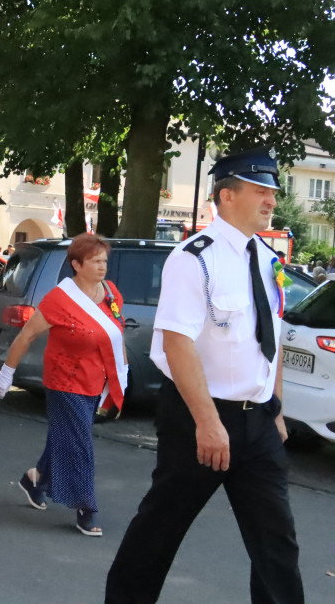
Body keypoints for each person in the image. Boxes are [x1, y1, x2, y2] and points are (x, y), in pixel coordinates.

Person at [105, 147, 303, 603]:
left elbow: (267, 341)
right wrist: (209, 421)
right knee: (158, 532)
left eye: (272, 191)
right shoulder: (194, 258)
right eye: (260, 190)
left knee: (277, 545)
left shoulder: (267, 259)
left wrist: (275, 408)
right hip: (201, 419)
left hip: (258, 425)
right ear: (227, 196)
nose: (271, 200)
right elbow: (177, 344)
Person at [0, 233, 127, 536]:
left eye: (104, 260)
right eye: (95, 261)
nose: (102, 266)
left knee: (66, 436)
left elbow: (115, 334)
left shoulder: (110, 293)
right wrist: (6, 372)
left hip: (96, 380)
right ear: (77, 265)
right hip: (65, 381)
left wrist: (121, 372)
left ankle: (35, 480)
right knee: (79, 443)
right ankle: (85, 506)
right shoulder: (59, 299)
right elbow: (26, 336)